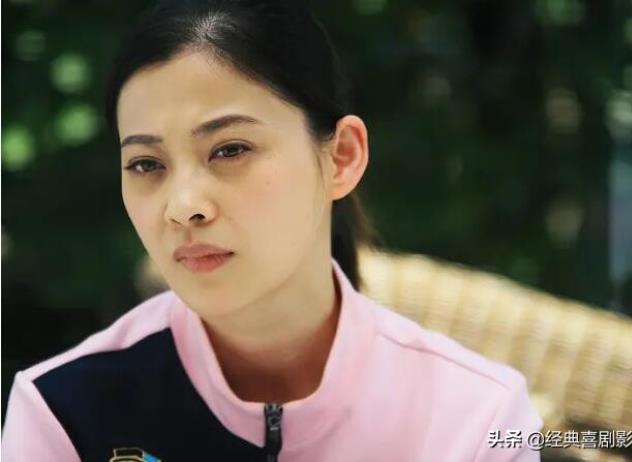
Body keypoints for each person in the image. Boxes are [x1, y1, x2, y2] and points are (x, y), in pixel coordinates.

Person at [1, 1, 543, 460]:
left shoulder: (475, 420)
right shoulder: (63, 414)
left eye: (230, 149)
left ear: (341, 157)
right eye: (146, 164)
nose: (183, 207)